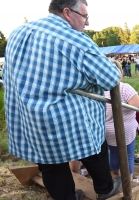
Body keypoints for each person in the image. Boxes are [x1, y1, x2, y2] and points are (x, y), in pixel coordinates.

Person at [2, 0, 122, 199]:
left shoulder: (18, 32)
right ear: (67, 12)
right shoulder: (73, 39)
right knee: (94, 148)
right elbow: (110, 78)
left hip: (30, 116)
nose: (87, 23)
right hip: (66, 116)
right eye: (85, 16)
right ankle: (105, 189)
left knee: (49, 162)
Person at [105, 63, 139, 185]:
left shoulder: (100, 89)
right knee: (129, 155)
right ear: (120, 72)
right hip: (126, 129)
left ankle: (117, 175)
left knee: (114, 153)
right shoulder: (124, 88)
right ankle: (128, 180)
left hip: (107, 130)